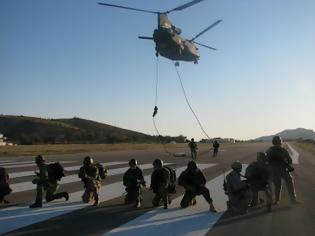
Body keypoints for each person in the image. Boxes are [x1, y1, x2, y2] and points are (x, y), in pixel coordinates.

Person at [266, 136, 299, 205]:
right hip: (283, 169)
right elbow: (290, 160)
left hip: (273, 170)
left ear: (273, 142)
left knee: (277, 185)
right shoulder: (283, 150)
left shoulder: (269, 150)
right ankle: (293, 199)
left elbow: (266, 160)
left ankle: (277, 200)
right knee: (289, 182)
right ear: (280, 142)